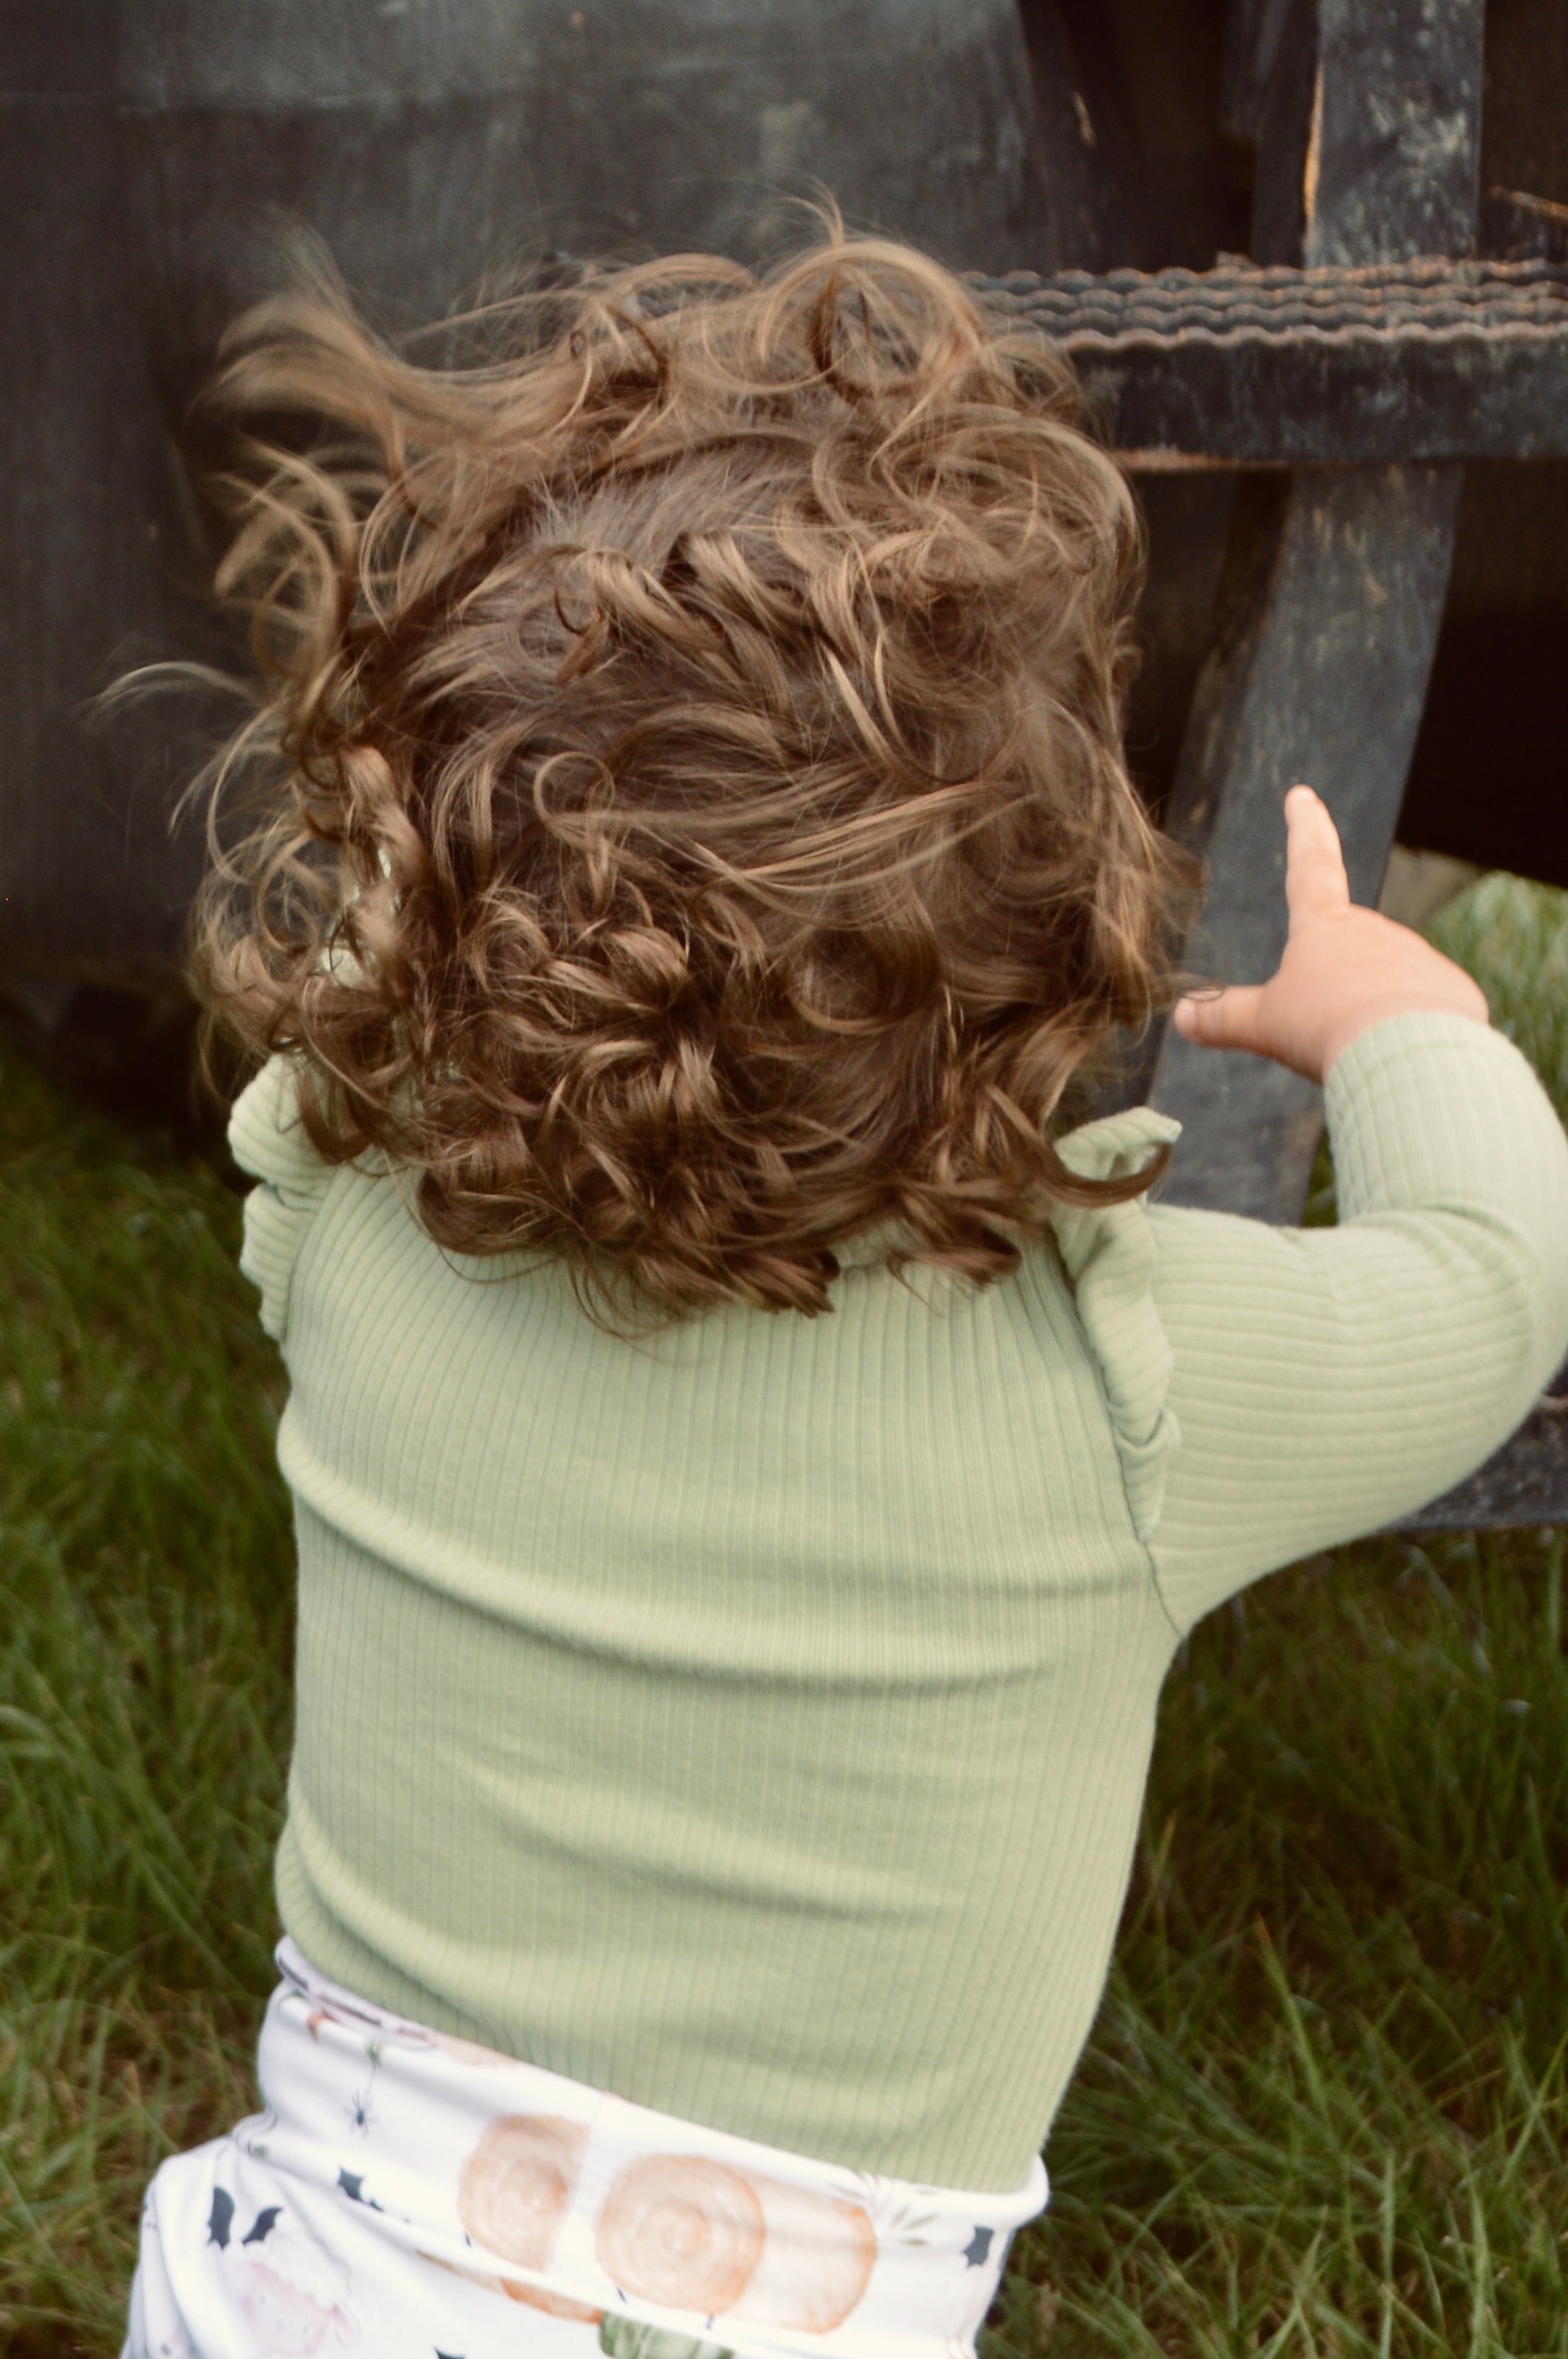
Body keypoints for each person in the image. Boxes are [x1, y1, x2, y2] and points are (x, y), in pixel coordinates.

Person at [123, 230, 1568, 2359]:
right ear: (1065, 908)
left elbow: (338, 1034)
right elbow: (1489, 1278)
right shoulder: (1124, 1384)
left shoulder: (350, 1230)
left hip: (298, 2299)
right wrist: (1403, 1019)